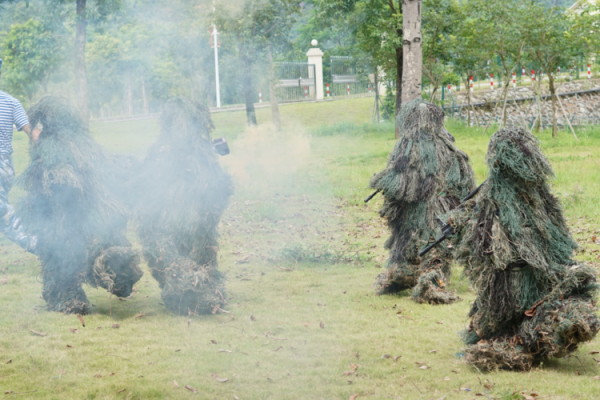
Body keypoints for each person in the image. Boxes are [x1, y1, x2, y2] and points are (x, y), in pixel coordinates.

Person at [0, 58, 39, 253]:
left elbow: (34, 134)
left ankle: (40, 244)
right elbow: (33, 133)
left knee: (3, 213)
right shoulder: (11, 102)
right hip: (6, 166)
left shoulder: (11, 103)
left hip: (1, 165)